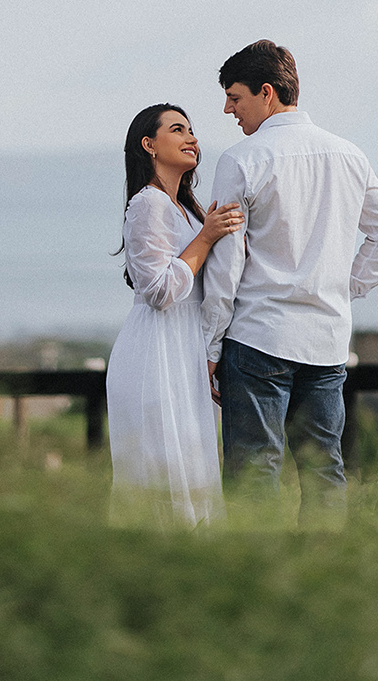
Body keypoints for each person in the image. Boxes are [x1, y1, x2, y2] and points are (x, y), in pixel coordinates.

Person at [202, 40, 378, 521]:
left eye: (235, 97)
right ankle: (324, 579)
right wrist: (344, 285)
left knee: (254, 470)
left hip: (258, 337)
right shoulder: (349, 155)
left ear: (267, 93)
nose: (228, 109)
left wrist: (211, 346)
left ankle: (260, 579)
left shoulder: (240, 159)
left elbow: (227, 262)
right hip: (327, 339)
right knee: (323, 472)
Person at [106, 103, 243, 526]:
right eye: (178, 129)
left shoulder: (186, 208)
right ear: (149, 145)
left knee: (194, 464)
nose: (192, 138)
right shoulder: (148, 205)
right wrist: (206, 238)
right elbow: (160, 291)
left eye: (193, 131)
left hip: (186, 348)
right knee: (165, 469)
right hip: (156, 352)